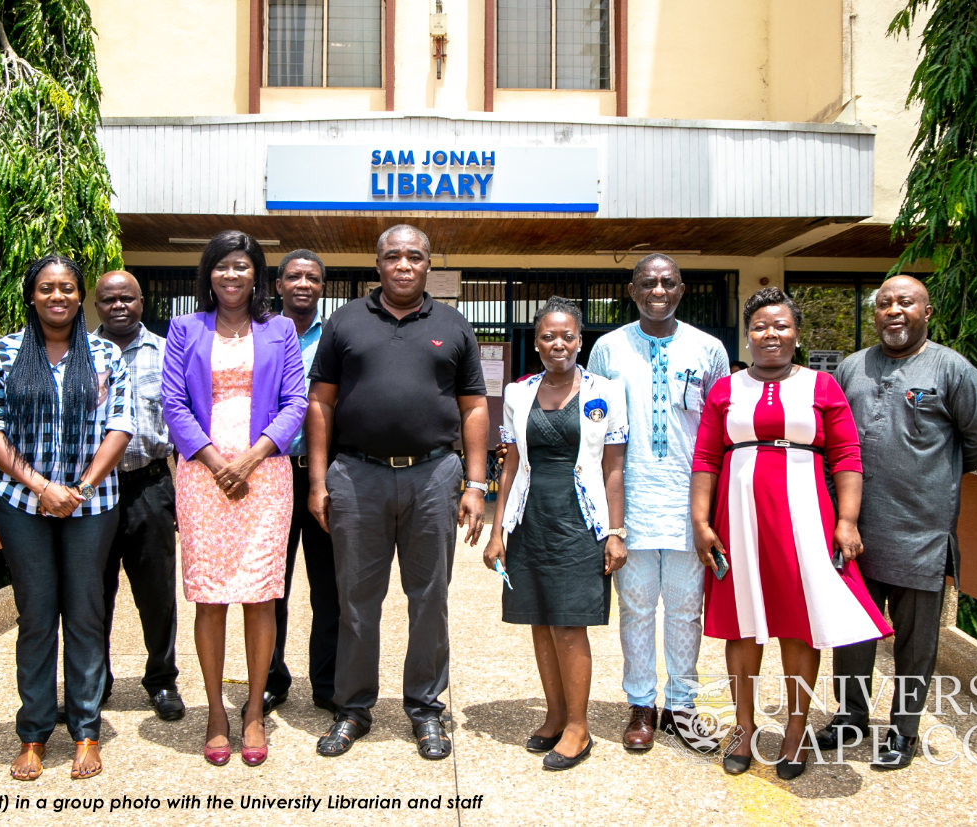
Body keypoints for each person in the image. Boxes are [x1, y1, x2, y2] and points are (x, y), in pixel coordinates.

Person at [690, 286, 892, 780]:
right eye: (760, 326)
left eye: (780, 325)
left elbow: (847, 456)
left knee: (798, 623)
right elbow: (706, 458)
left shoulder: (822, 387)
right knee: (741, 623)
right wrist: (700, 521)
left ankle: (797, 730)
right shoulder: (725, 389)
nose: (770, 334)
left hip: (805, 516)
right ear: (748, 334)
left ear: (797, 333)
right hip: (736, 518)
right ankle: (743, 727)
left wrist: (846, 520)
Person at [306, 224, 489, 761]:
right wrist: (318, 482)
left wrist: (475, 484)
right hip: (357, 477)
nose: (403, 265)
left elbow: (474, 408)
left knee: (429, 598)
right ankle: (354, 708)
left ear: (428, 265)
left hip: (433, 477)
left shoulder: (454, 326)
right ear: (378, 265)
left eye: (414, 256)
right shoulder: (344, 323)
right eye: (393, 256)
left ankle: (426, 710)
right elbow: (321, 405)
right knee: (356, 600)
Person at [816, 275, 977, 771]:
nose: (893, 311)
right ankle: (851, 714)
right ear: (874, 313)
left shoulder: (953, 371)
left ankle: (904, 730)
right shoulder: (853, 367)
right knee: (852, 630)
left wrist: (934, 475)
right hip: (854, 527)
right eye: (883, 304)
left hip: (921, 531)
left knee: (916, 640)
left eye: (906, 302)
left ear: (927, 311)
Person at [0, 254, 134, 781]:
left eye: (67, 288)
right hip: (23, 506)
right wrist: (42, 488)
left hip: (93, 505)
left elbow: (120, 426)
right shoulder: (2, 354)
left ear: (79, 295)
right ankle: (35, 733)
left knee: (86, 615)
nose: (58, 297)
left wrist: (79, 489)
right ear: (32, 295)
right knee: (37, 618)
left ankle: (86, 730)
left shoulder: (107, 355)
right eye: (47, 288)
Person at [161, 230, 306, 767]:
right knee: (210, 594)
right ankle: (216, 713)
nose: (231, 275)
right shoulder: (184, 328)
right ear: (208, 273)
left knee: (260, 594)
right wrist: (217, 463)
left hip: (265, 474)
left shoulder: (280, 330)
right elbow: (173, 403)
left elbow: (295, 402)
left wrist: (249, 459)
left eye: (241, 266)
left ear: (256, 275)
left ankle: (252, 710)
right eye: (221, 266)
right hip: (202, 476)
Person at [586, 253, 729, 752]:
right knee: (637, 606)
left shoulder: (709, 349)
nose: (658, 290)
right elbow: (595, 427)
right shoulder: (607, 348)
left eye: (668, 282)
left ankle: (683, 705)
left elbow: (720, 430)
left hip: (691, 499)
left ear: (683, 289)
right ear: (632, 291)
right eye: (648, 283)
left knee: (688, 609)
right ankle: (641, 705)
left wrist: (712, 509)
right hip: (632, 500)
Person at [483, 297, 628, 771]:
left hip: (579, 521)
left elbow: (613, 469)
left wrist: (615, 531)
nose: (558, 343)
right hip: (530, 519)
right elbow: (509, 466)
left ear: (579, 340)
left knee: (569, 624)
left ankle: (578, 727)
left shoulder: (606, 391)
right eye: (548, 336)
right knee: (540, 622)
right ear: (537, 341)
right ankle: (553, 716)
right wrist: (497, 531)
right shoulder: (517, 393)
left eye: (567, 335)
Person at [91, 271, 183, 722]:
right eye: (109, 300)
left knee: (157, 593)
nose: (119, 306)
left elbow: (183, 425)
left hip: (150, 485)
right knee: (93, 592)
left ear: (142, 301)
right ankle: (94, 681)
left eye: (127, 298)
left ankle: (162, 680)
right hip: (93, 492)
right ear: (97, 305)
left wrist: (186, 497)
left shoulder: (167, 353)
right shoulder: (79, 354)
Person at [260, 249, 341, 714]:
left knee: (328, 586)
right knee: (273, 585)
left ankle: (327, 682)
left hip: (325, 475)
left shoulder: (336, 336)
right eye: (293, 277)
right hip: (271, 473)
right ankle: (272, 677)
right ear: (278, 285)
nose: (303, 284)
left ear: (322, 287)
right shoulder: (260, 333)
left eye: (312, 277)